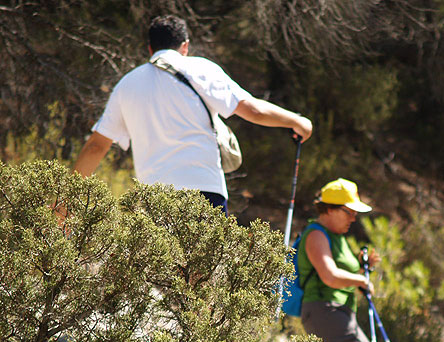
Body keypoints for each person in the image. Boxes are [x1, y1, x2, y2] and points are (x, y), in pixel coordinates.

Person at [72, 15, 312, 215]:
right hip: (204, 191)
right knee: (204, 272)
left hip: (153, 200)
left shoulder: (126, 85)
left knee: (160, 272)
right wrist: (297, 121)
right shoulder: (202, 69)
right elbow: (254, 111)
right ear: (185, 46)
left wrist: (64, 203)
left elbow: (96, 146)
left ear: (150, 48)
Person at [297, 178, 379, 342]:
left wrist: (363, 271)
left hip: (339, 311)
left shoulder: (338, 237)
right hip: (324, 310)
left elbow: (342, 278)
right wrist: (361, 280)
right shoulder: (316, 235)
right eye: (349, 212)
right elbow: (330, 276)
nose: (353, 218)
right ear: (330, 208)